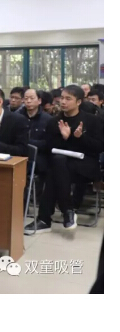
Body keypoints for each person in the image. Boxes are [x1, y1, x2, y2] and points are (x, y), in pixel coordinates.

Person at [26, 85, 104, 233]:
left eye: (68, 99)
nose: (63, 102)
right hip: (62, 166)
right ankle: (66, 211)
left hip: (86, 165)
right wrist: (64, 138)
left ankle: (46, 219)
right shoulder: (54, 121)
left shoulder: (92, 120)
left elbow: (99, 147)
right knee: (58, 162)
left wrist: (79, 138)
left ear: (79, 102)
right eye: (62, 98)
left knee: (55, 169)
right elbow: (49, 147)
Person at [22, 88, 52, 203]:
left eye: (31, 98)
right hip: (20, 155)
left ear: (39, 101)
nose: (28, 101)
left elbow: (48, 144)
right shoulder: (17, 117)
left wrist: (27, 142)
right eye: (26, 98)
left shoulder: (48, 119)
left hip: (40, 157)